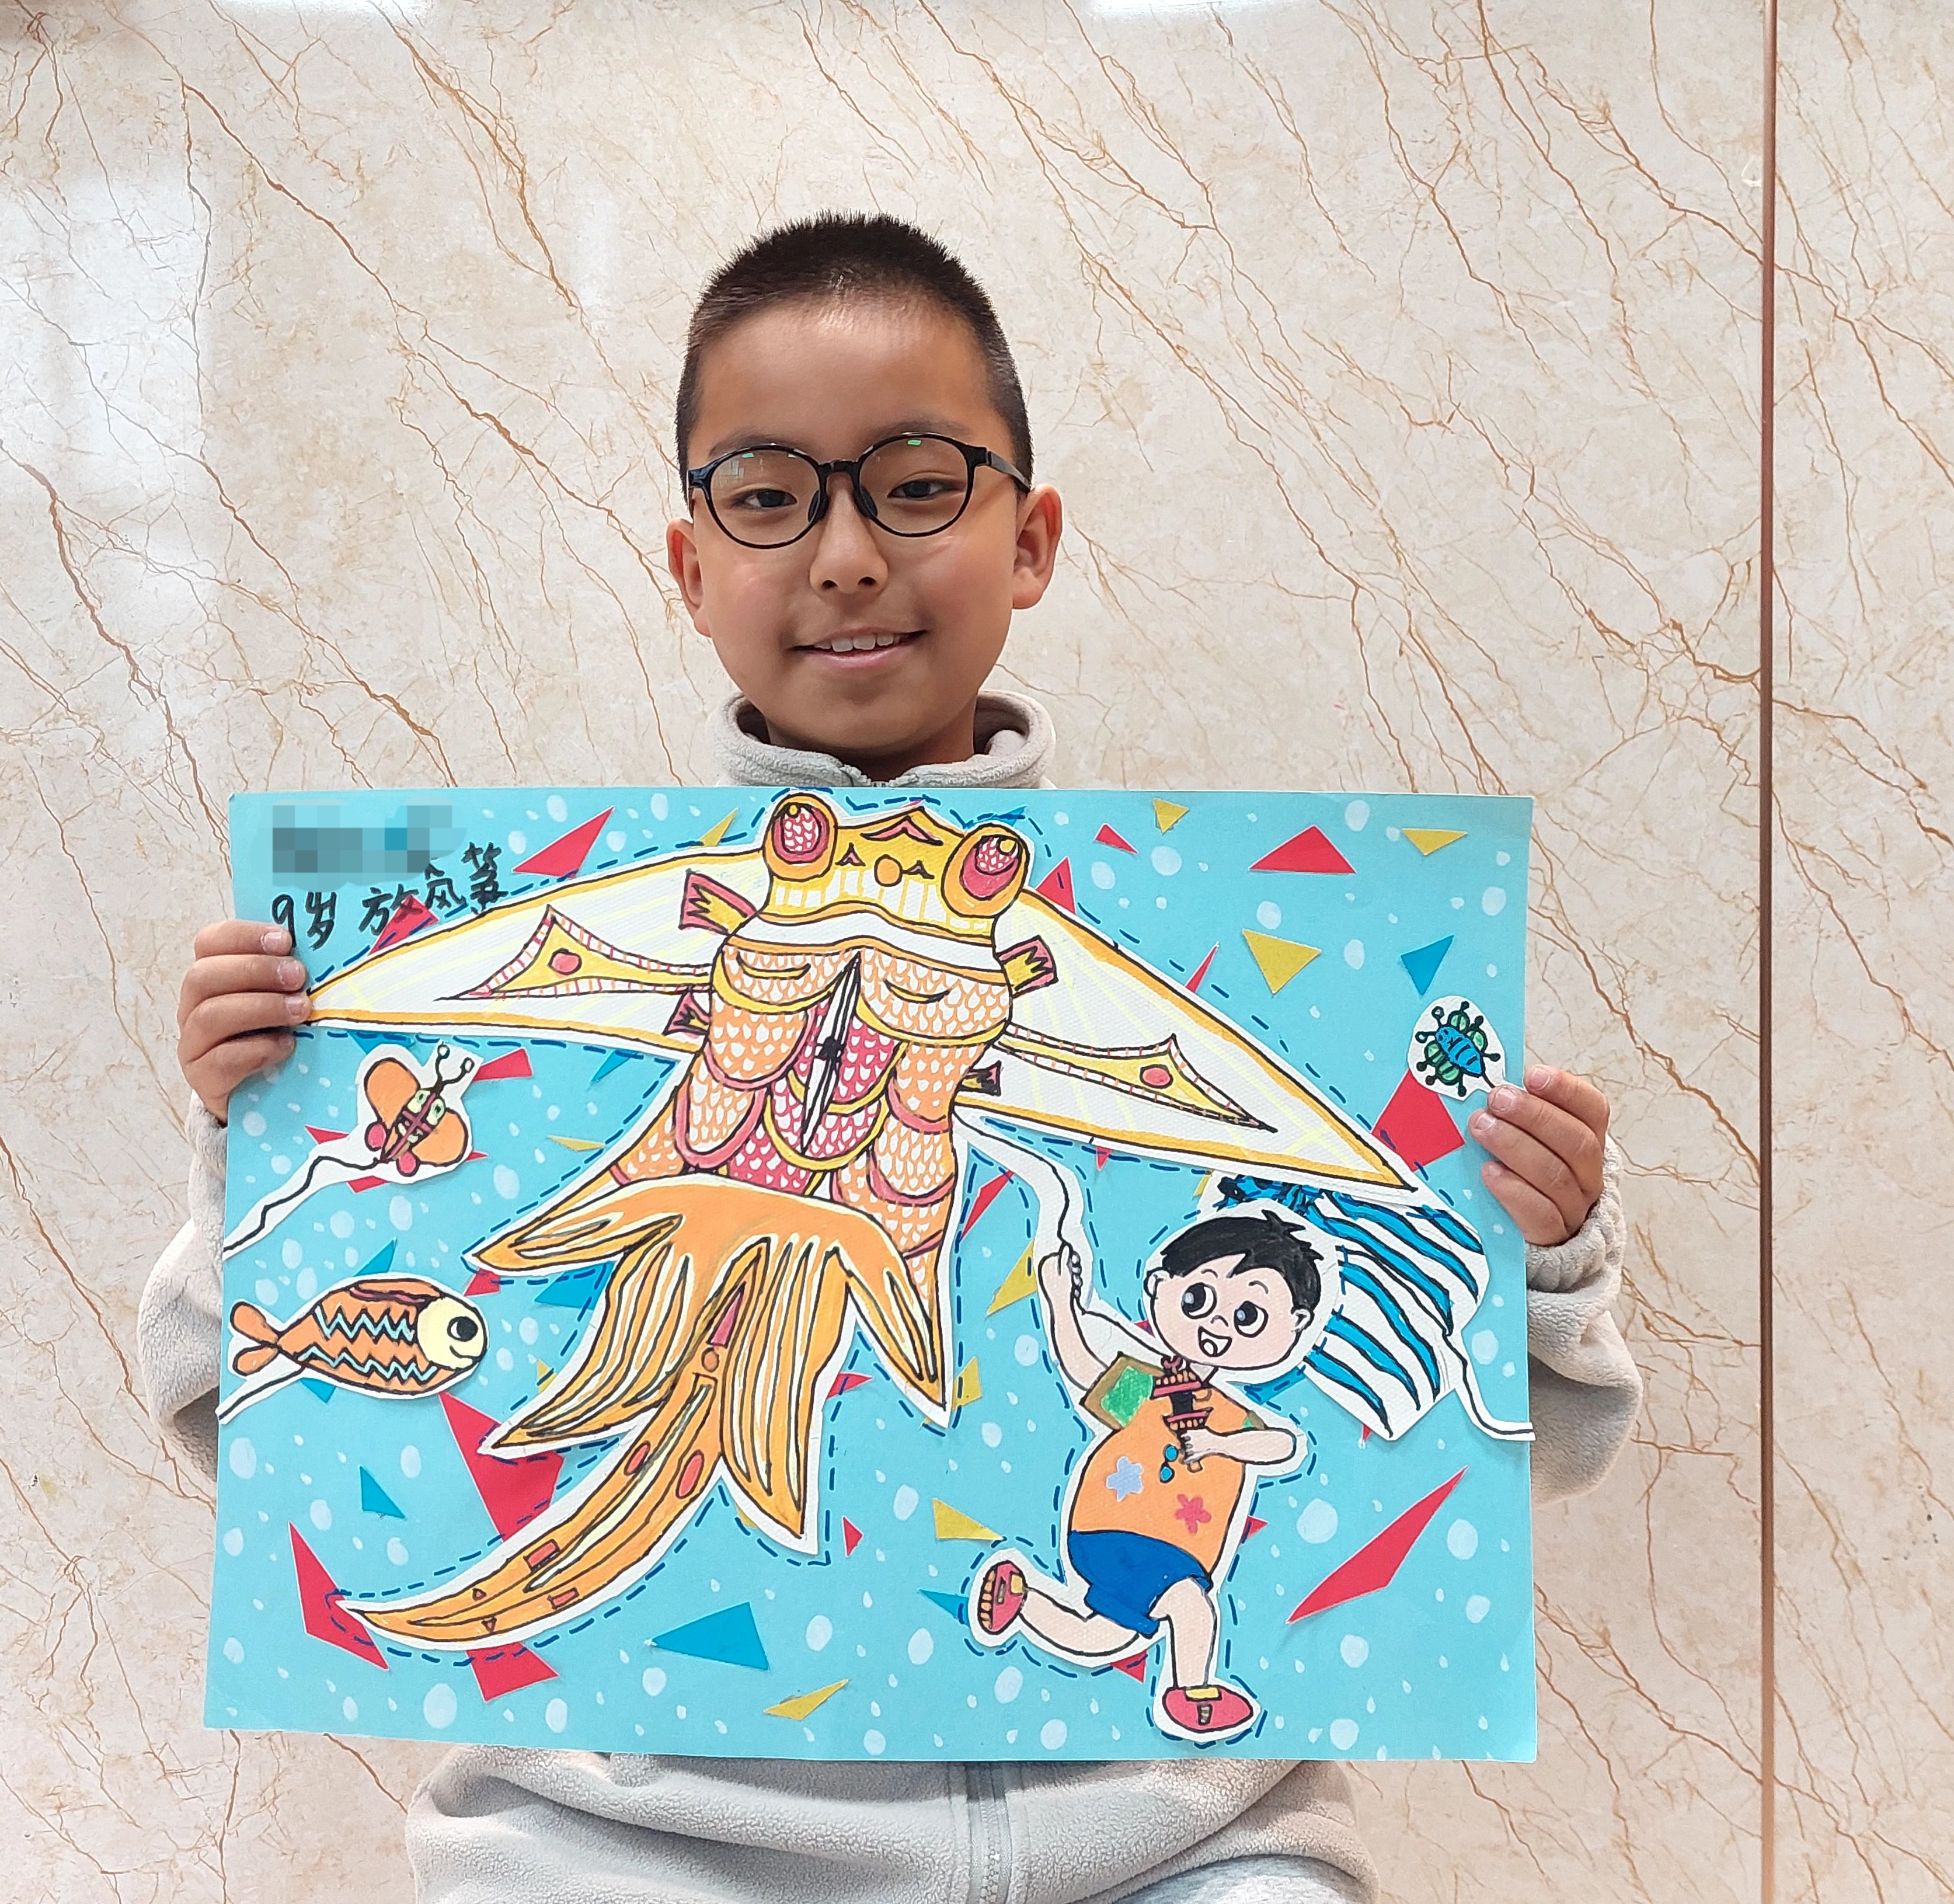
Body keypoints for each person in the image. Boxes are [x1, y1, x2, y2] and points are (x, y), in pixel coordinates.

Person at [141, 212, 1642, 1904]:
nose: (846, 553)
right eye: (768, 495)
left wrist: (1534, 1253)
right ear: (689, 564)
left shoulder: (1214, 942)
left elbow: (1520, 1452)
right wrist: (261, 1128)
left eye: (918, 484)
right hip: (626, 1845)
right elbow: (237, 1416)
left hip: (1165, 1842)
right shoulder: (484, 966)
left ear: (1030, 537)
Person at [974, 1209, 1323, 1742]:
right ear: (1161, 1287)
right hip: (1118, 1530)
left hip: (1161, 1547)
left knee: (1100, 1639)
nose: (1217, 1327)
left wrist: (1219, 1443)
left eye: (1248, 1316)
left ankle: (1022, 1601)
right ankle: (1192, 1696)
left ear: (1294, 1327)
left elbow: (1282, 1445)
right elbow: (1082, 1367)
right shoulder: (1148, 1386)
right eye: (1198, 1300)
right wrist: (1062, 1302)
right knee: (1191, 1607)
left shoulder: (1232, 1416)